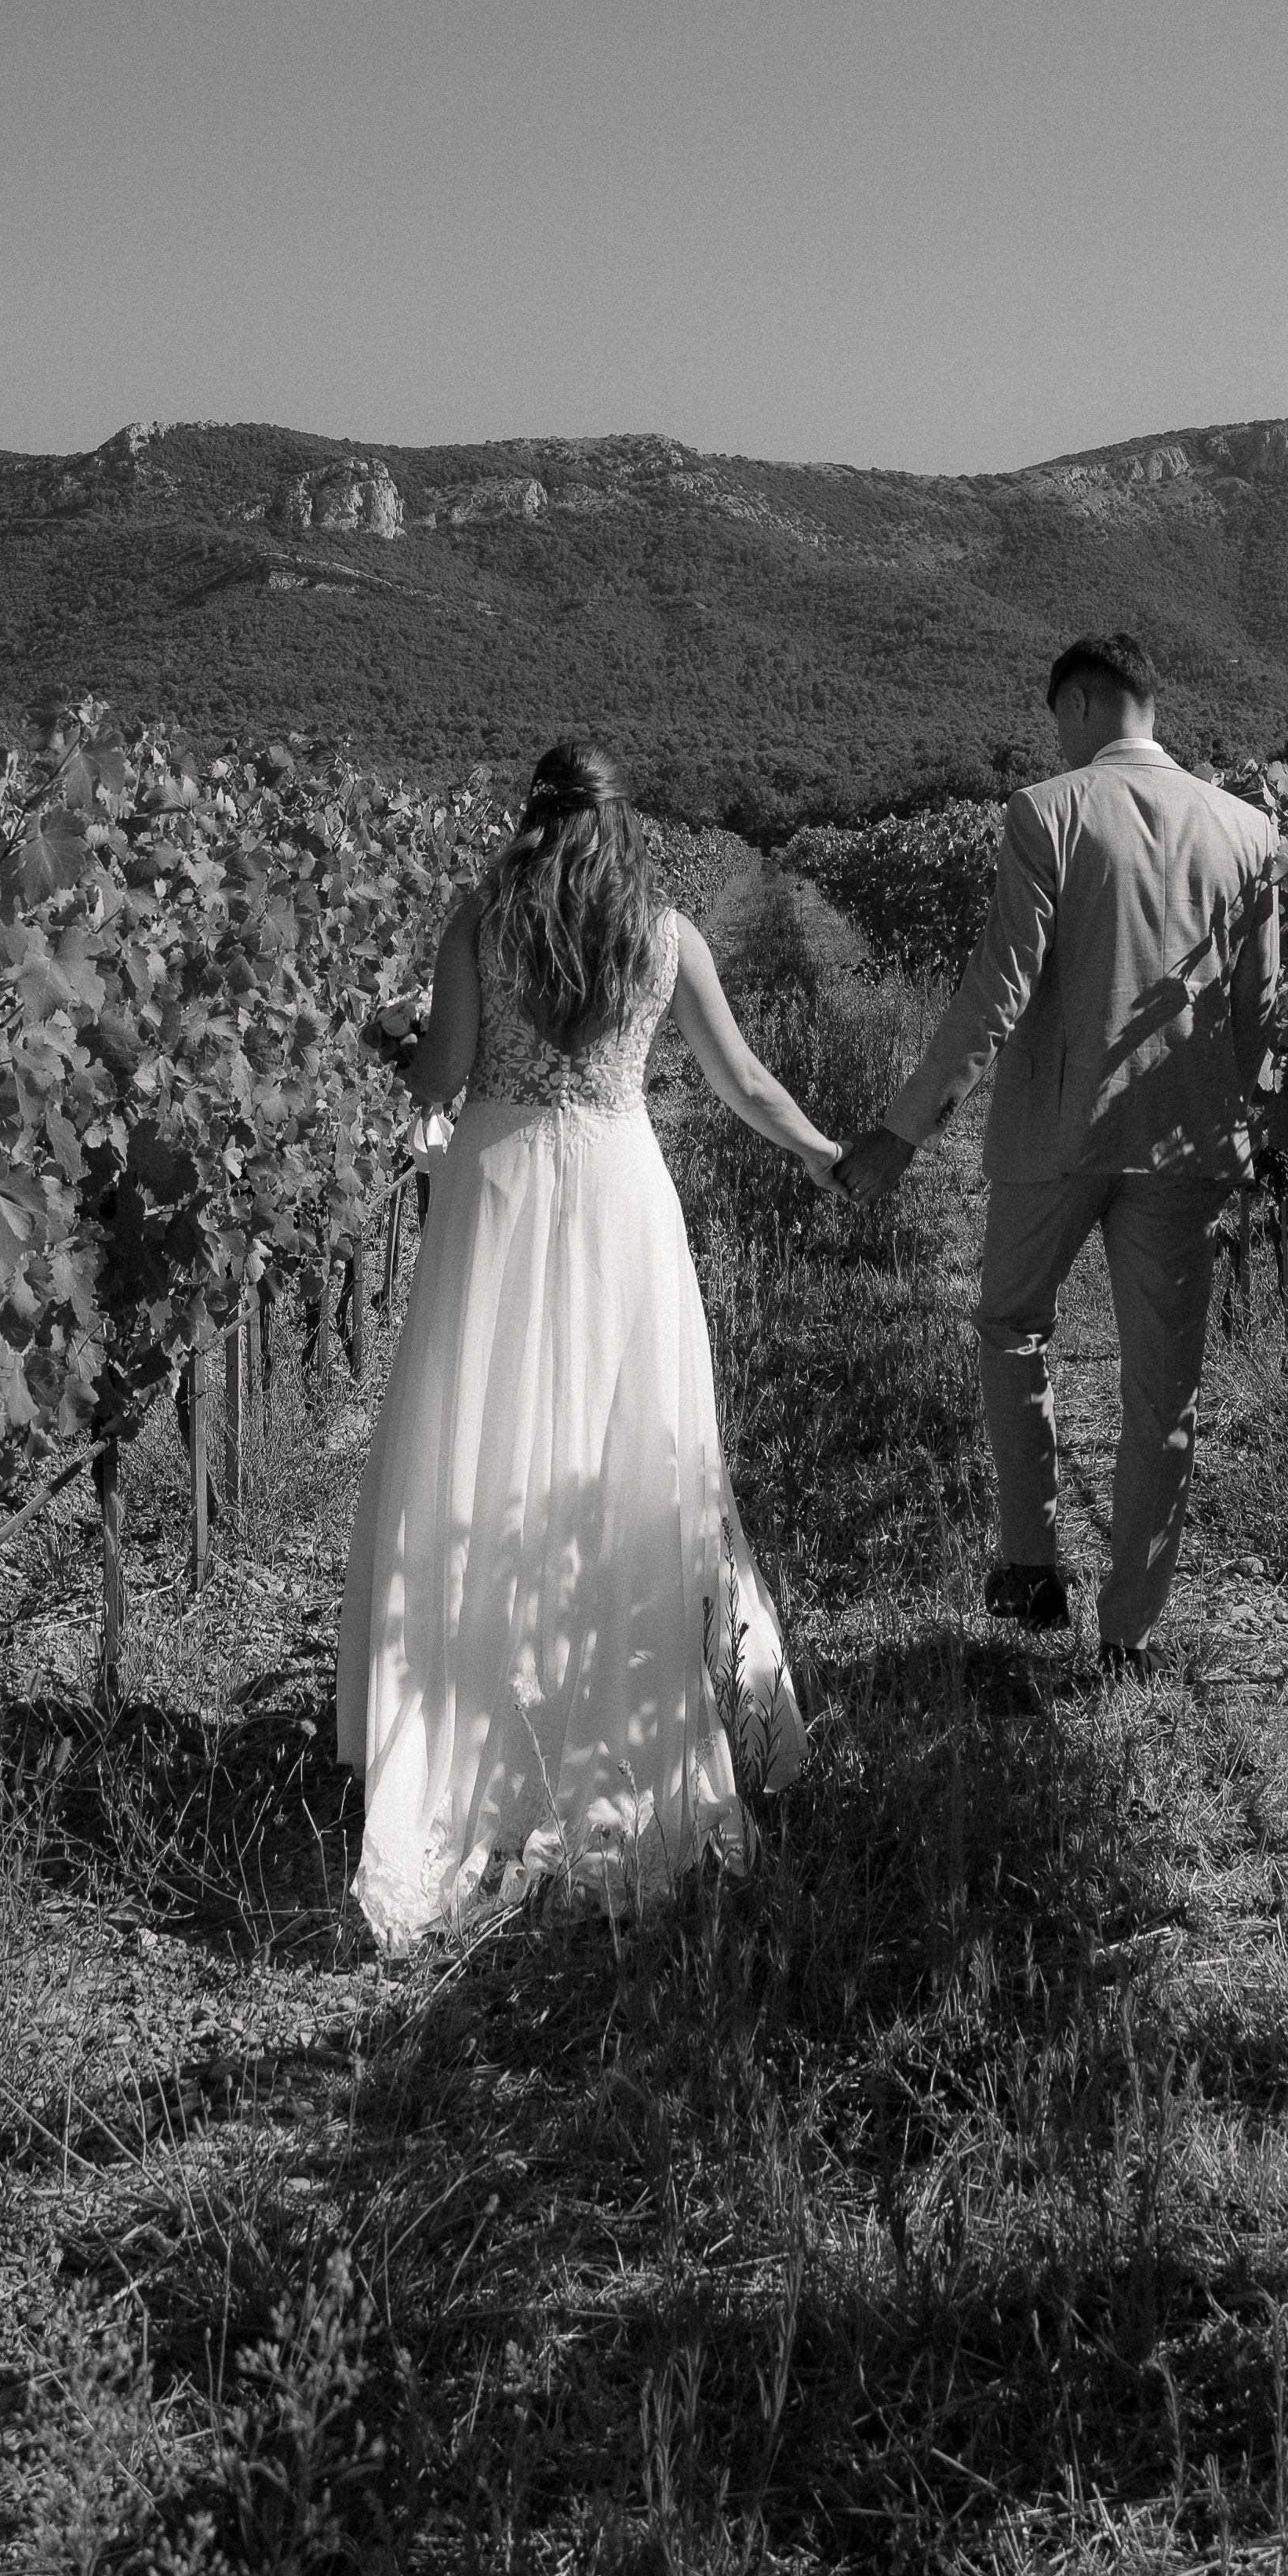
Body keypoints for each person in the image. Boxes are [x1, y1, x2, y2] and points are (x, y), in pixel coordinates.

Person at [339, 740, 832, 1944]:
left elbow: (440, 1081)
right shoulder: (667, 936)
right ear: (624, 825)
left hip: (498, 1189)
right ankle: (623, 1717)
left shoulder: (482, 921)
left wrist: (390, 1037)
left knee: (482, 1448)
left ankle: (478, 1736)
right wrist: (832, 1155)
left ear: (532, 817)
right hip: (619, 1191)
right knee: (631, 1457)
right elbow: (744, 1082)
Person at [836, 632, 1280, 1672]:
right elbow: (1263, 1014)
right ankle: (1129, 1635)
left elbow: (997, 995)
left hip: (1055, 1135)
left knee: (1010, 1327)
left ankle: (1033, 1565)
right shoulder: (1250, 831)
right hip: (1185, 1141)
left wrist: (903, 1129)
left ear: (1080, 704)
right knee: (1163, 1393)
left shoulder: (1048, 812)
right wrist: (1256, 1135)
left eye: (1058, 723)